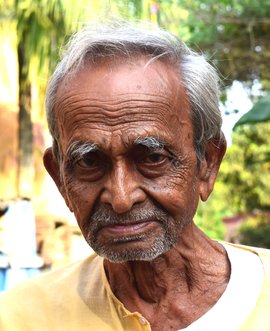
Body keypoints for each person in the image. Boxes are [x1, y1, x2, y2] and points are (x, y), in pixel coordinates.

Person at [0, 21, 269, 331]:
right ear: (60, 178)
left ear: (207, 163)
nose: (121, 198)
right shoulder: (17, 318)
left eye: (153, 158)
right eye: (89, 162)